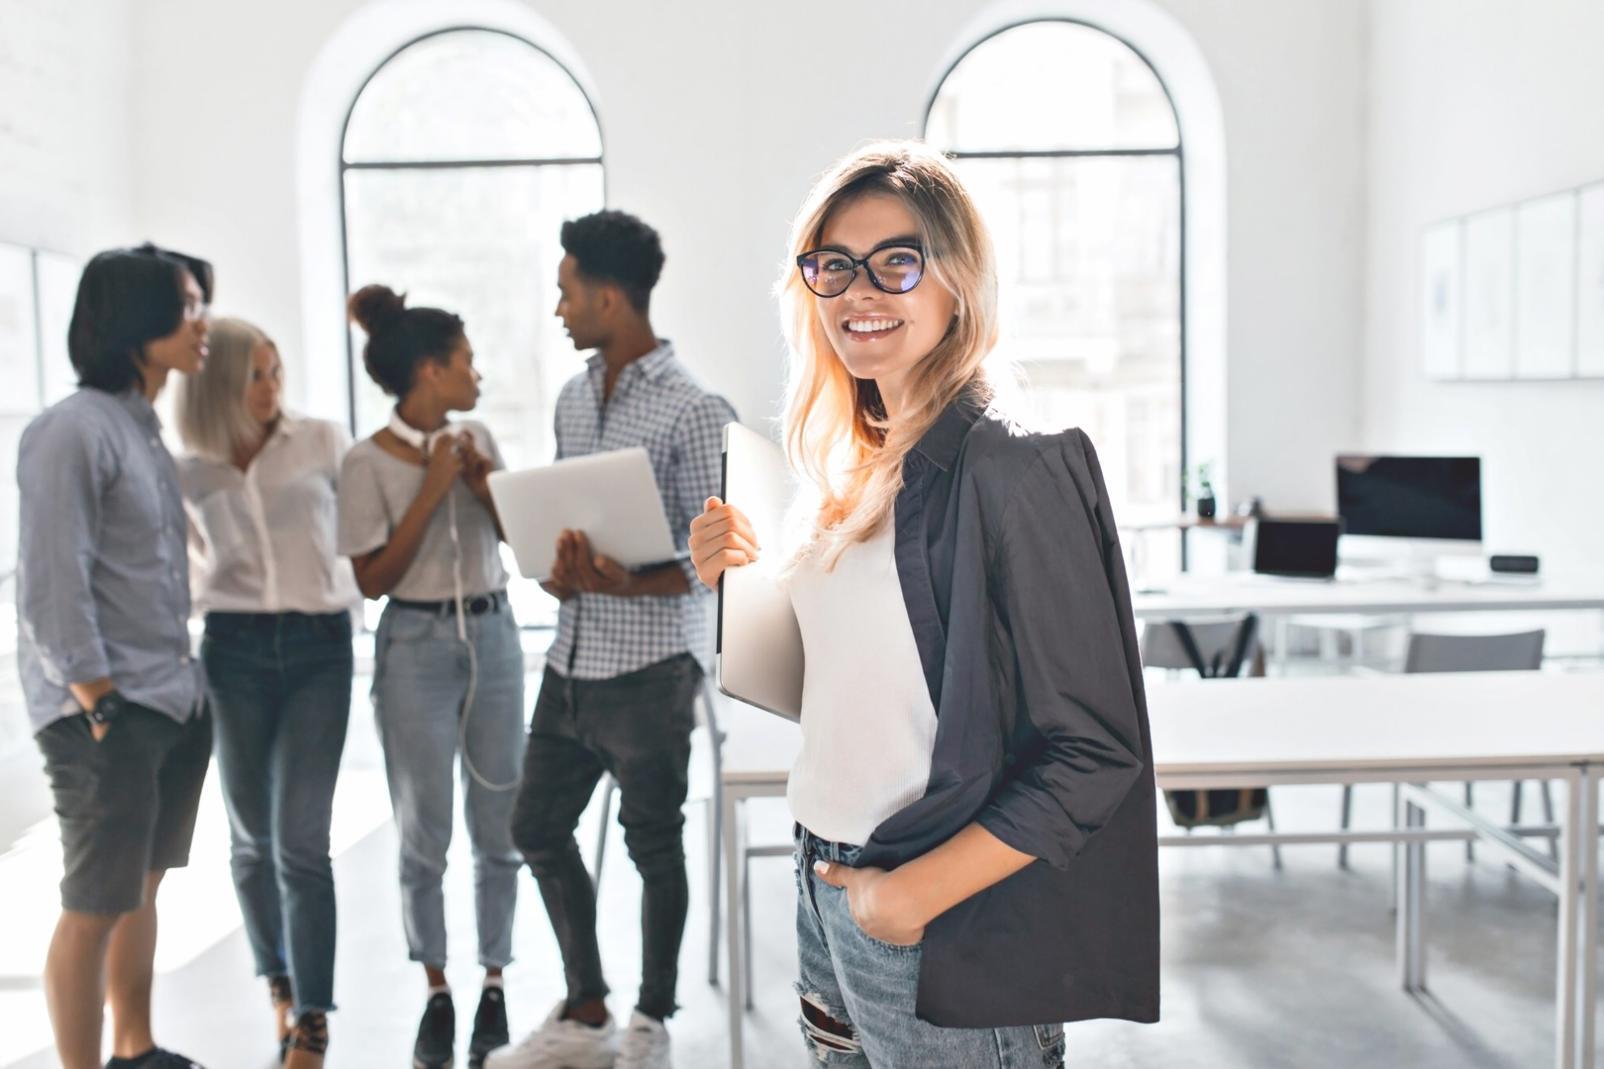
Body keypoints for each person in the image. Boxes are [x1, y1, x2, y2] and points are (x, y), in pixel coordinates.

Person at [688, 141, 1159, 1067]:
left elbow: (1096, 749)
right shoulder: (851, 468)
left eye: (895, 262)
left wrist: (914, 894)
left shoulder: (1018, 466)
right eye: (833, 266)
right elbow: (857, 688)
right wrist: (737, 586)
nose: (860, 292)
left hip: (934, 905)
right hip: (826, 881)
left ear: (956, 283)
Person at [489, 211, 735, 1069]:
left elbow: (719, 559)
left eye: (565, 291)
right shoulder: (569, 397)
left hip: (648, 673)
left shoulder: (695, 409)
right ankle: (585, 1001)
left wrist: (634, 579)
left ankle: (651, 1019)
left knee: (653, 844)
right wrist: (563, 567)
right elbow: (575, 520)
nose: (558, 308)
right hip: (569, 662)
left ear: (607, 294)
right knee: (536, 825)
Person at [17, 243, 216, 1069]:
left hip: (168, 694)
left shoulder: (141, 429)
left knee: (143, 886)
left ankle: (135, 1049)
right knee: (94, 902)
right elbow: (52, 586)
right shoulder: (71, 430)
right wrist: (98, 698)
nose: (203, 321)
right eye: (186, 305)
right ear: (137, 324)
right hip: (107, 709)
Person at [337, 285, 525, 1069]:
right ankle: (436, 990)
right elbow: (373, 578)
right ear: (428, 370)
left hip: (494, 631)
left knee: (499, 825)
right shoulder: (362, 462)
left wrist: (481, 482)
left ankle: (493, 984)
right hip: (412, 644)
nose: (477, 376)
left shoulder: (475, 434)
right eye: (466, 362)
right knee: (425, 831)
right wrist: (433, 488)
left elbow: (522, 538)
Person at [173, 317, 360, 1066]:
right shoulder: (191, 469)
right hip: (234, 648)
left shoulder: (321, 441)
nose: (272, 387)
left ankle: (313, 1014)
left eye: (276, 371)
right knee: (250, 841)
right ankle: (277, 982)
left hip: (319, 648)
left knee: (302, 841)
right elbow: (184, 567)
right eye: (255, 375)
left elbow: (357, 529)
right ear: (219, 385)